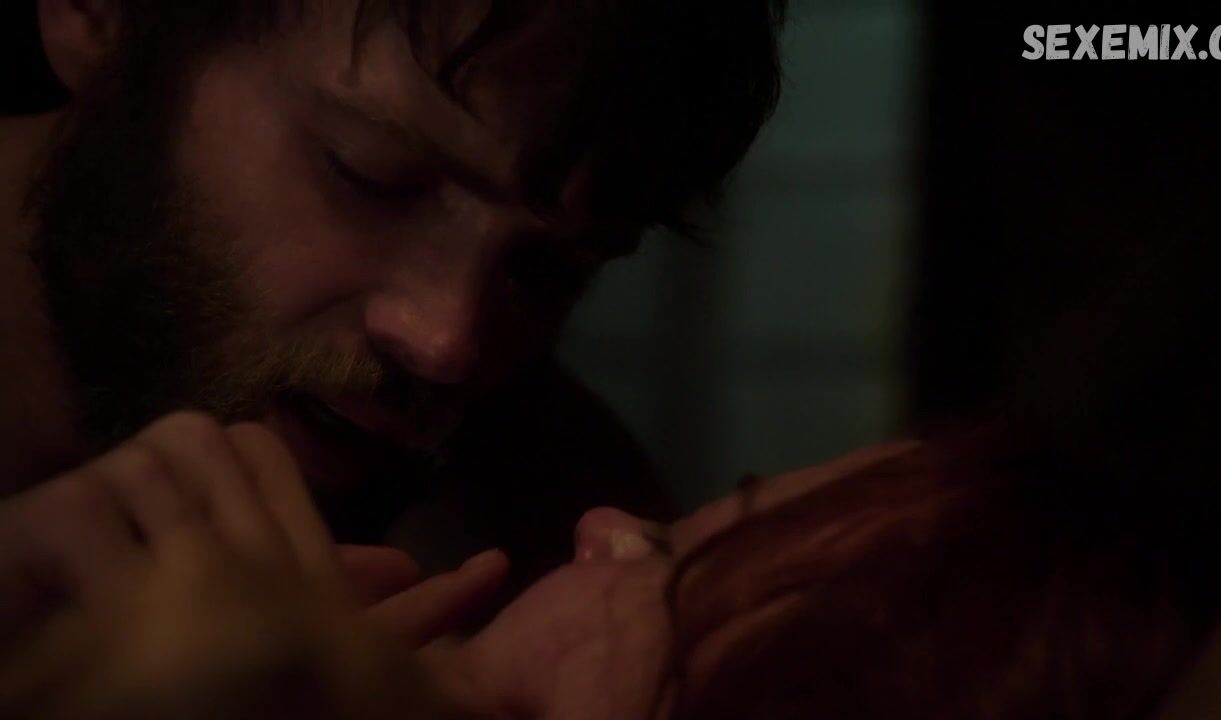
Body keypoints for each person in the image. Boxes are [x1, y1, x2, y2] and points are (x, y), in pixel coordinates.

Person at [0, 0, 785, 591]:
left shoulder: (551, 535)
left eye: (549, 269)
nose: (449, 343)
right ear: (100, 12)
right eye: (372, 174)